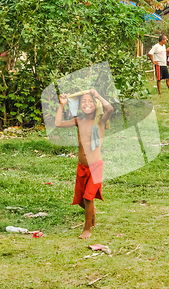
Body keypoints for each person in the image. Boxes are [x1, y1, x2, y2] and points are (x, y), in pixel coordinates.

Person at [55, 89, 113, 239]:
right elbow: (58, 123)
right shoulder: (79, 121)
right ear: (80, 106)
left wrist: (98, 95)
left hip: (96, 166)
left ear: (95, 104)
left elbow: (110, 108)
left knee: (88, 198)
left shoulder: (100, 120)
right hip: (82, 166)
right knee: (81, 200)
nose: (87, 104)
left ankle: (87, 229)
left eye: (90, 101)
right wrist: (62, 105)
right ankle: (91, 212)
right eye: (84, 102)